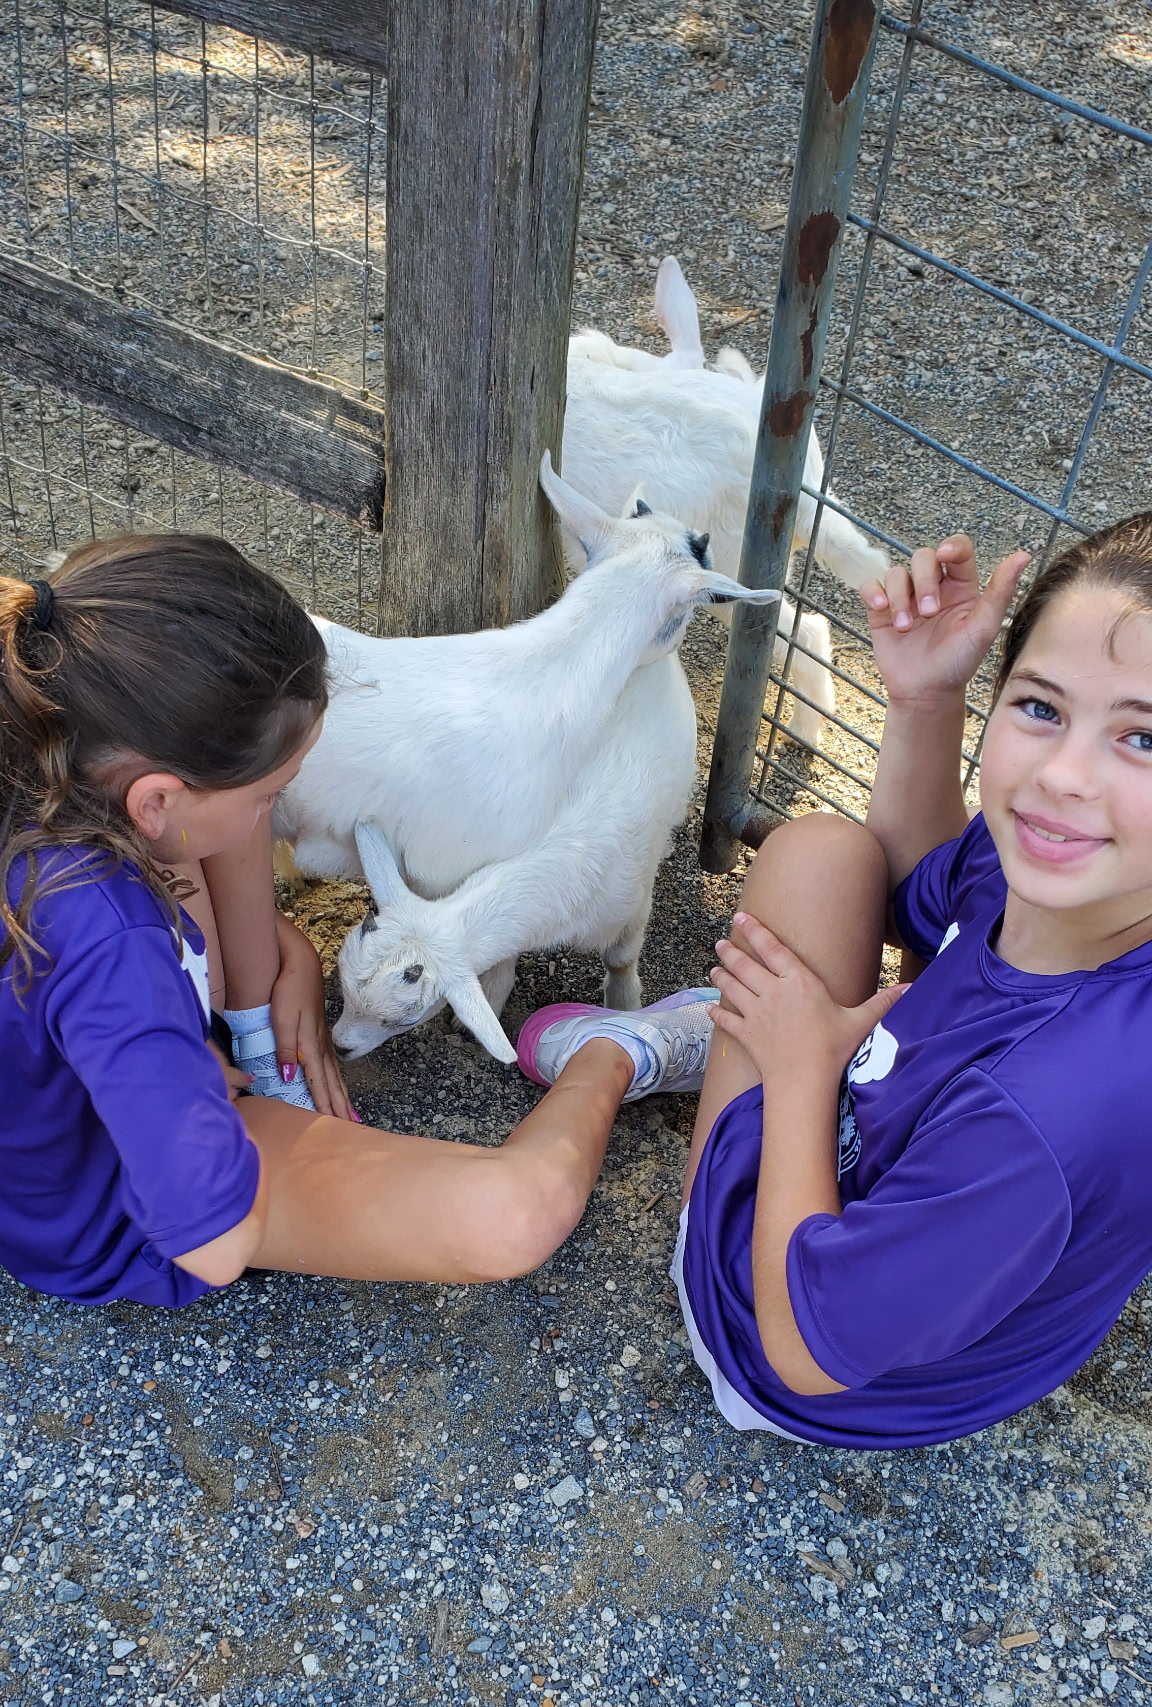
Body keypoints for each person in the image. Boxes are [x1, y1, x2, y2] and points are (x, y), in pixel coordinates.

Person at [518, 512, 1152, 1447]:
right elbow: (910, 897)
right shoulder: (1081, 883)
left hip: (788, 1356)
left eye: (1144, 740)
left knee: (800, 900)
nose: (1062, 774)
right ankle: (767, 1031)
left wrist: (804, 1069)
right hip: (920, 1258)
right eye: (1042, 708)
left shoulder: (1051, 1112)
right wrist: (926, 704)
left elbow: (801, 1353)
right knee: (822, 853)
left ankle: (711, 1037)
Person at [0, 531, 709, 1309]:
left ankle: (247, 1018)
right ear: (155, 801)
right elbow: (213, 1240)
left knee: (220, 837)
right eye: (271, 796)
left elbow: (157, 890)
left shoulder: (50, 769)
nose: (276, 816)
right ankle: (613, 1051)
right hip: (110, 1207)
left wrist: (285, 962)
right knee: (516, 1214)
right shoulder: (118, 949)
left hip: (92, 1069)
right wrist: (194, 1080)